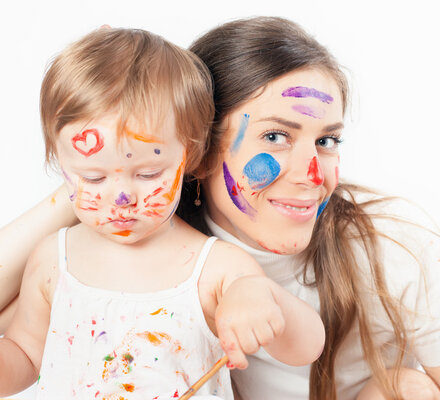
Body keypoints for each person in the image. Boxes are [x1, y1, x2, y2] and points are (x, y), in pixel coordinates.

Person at [0, 17, 440, 400]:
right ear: (198, 152)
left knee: (406, 387)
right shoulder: (127, 226)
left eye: (326, 140)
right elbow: (22, 347)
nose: (313, 173)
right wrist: (73, 194)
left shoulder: (395, 248)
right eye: (275, 137)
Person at [0, 27, 325, 399]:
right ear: (59, 161)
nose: (121, 197)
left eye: (148, 174)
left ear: (190, 157)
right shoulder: (53, 259)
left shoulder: (215, 269)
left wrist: (260, 297)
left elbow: (307, 346)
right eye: (93, 177)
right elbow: (25, 353)